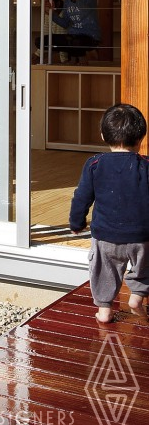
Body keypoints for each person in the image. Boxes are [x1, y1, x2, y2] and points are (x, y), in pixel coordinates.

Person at [69, 104, 149, 323]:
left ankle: (104, 310)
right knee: (145, 268)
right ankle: (137, 297)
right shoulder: (146, 166)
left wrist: (77, 223)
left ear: (103, 135)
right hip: (142, 237)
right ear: (141, 136)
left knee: (104, 271)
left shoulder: (94, 164)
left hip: (105, 236)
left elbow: (82, 196)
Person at [43, 0, 101, 64]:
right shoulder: (67, 0)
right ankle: (76, 60)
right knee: (43, 41)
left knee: (76, 42)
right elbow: (65, 23)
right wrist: (51, 13)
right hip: (72, 36)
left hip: (89, 36)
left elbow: (84, 12)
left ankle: (81, 61)